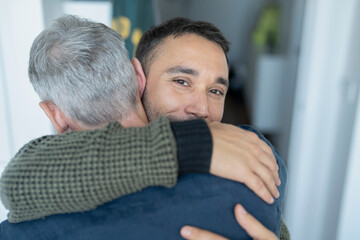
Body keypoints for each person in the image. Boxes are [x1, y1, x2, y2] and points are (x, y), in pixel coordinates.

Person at [0, 16, 287, 239]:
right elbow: (19, 180)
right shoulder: (63, 174)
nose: (202, 108)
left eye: (216, 91)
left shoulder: (250, 155)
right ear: (140, 80)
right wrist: (192, 145)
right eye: (182, 82)